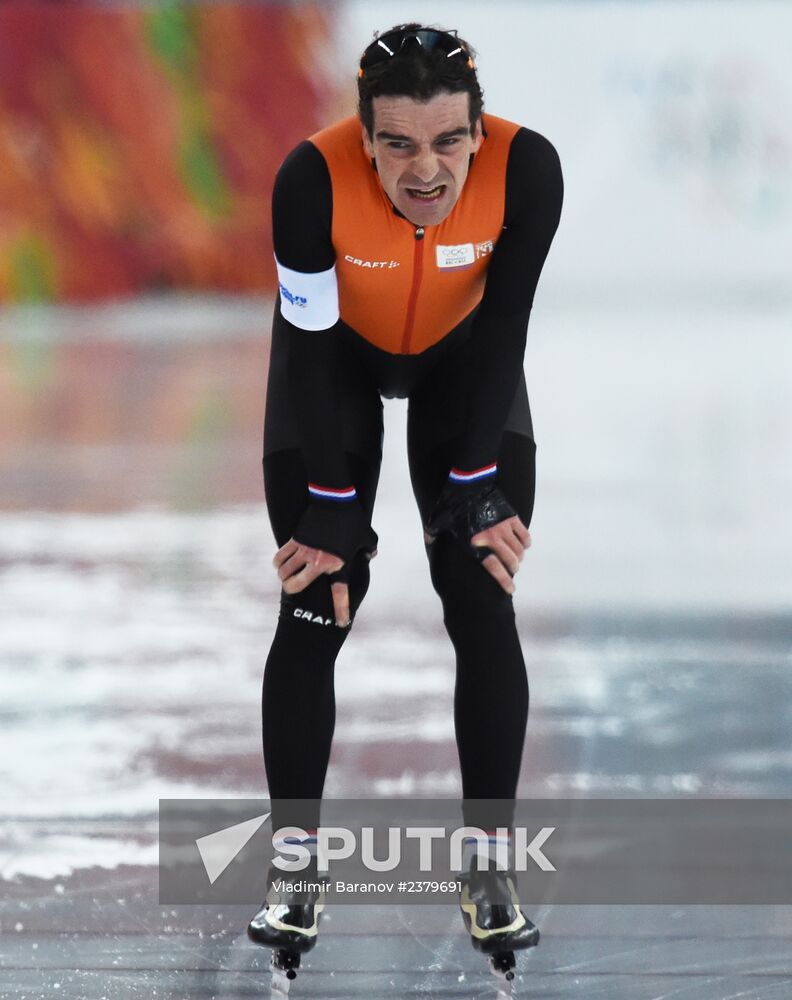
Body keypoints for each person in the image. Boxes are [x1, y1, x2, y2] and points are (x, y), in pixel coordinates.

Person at [248, 22, 563, 980]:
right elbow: (306, 345)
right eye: (395, 145)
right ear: (363, 134)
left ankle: (490, 865)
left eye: (446, 142)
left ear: (477, 127)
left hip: (466, 366)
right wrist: (333, 500)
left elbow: (504, 327)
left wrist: (474, 484)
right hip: (332, 364)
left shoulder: (529, 168)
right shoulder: (309, 179)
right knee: (317, 600)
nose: (424, 170)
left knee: (481, 594)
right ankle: (295, 866)